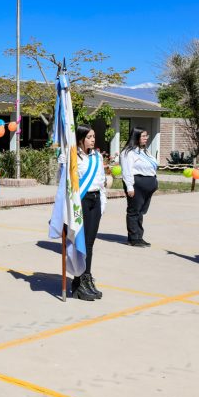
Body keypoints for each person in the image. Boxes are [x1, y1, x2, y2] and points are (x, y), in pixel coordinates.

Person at [72, 124, 107, 301]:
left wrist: (103, 202)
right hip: (82, 201)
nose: (93, 139)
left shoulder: (97, 157)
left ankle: (87, 277)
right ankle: (78, 281)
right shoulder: (74, 157)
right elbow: (68, 182)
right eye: (89, 137)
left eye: (94, 137)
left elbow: (101, 181)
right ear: (81, 139)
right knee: (81, 242)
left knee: (90, 243)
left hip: (95, 199)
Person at [119, 127, 158, 247]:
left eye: (147, 136)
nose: (146, 138)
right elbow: (127, 171)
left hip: (148, 186)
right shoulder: (128, 153)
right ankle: (133, 238)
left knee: (140, 212)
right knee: (134, 211)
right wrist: (130, 187)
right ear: (136, 137)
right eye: (143, 136)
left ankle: (139, 236)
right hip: (137, 185)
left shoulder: (145, 151)